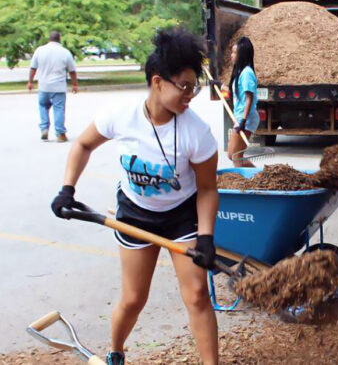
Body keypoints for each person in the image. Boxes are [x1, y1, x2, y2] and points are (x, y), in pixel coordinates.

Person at [50, 28, 219, 365]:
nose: (190, 96)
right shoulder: (120, 115)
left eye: (194, 88)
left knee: (198, 295)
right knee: (133, 299)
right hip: (135, 213)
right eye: (184, 86)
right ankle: (116, 353)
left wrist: (205, 237)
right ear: (158, 82)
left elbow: (207, 189)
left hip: (181, 217)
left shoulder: (196, 131)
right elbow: (82, 144)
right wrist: (68, 188)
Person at [27, 31, 78, 142]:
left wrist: (30, 82)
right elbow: (72, 71)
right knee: (59, 109)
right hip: (58, 87)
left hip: (44, 86)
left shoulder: (39, 50)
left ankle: (44, 129)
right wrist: (74, 84)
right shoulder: (65, 52)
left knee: (43, 106)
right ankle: (60, 134)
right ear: (59, 38)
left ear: (49, 39)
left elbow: (33, 68)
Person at [226, 37, 260, 167]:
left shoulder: (247, 73)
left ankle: (243, 182)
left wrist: (243, 121)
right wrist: (220, 86)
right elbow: (238, 93)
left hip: (246, 118)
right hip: (240, 117)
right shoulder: (240, 72)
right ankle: (256, 175)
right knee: (233, 155)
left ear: (242, 55)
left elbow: (249, 98)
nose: (232, 55)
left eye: (235, 52)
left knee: (236, 156)